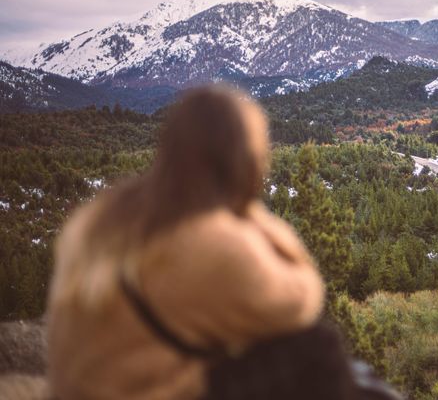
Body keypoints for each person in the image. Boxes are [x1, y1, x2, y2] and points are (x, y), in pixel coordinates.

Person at [46, 86, 327, 399]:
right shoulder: (210, 239)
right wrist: (248, 207)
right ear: (240, 158)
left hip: (75, 390)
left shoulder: (100, 216)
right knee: (318, 346)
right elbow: (304, 298)